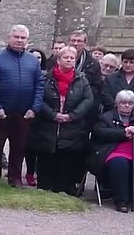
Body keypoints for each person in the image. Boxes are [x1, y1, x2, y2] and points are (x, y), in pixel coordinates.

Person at [31, 47, 95, 196]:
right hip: (48, 125)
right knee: (45, 158)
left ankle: (62, 189)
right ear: (58, 60)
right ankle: (43, 188)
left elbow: (88, 100)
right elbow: (38, 97)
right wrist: (53, 114)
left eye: (72, 58)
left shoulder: (82, 79)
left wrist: (72, 115)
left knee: (66, 159)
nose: (69, 60)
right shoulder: (46, 78)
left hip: (71, 126)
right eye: (66, 57)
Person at [88, 90, 134, 213]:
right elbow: (99, 133)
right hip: (114, 151)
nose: (126, 105)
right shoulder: (106, 117)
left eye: (130, 103)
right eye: (123, 103)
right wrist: (123, 133)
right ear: (117, 104)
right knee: (119, 164)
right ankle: (121, 201)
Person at [0, 24, 43, 187]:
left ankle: (15, 178)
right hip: (1, 113)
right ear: (9, 38)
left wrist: (34, 108)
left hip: (24, 113)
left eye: (23, 38)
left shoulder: (32, 61)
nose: (19, 40)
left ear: (27, 41)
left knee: (19, 148)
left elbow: (39, 85)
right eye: (16, 37)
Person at [100, 48, 134, 116]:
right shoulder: (110, 78)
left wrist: (130, 110)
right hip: (112, 116)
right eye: (125, 62)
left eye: (132, 62)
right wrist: (119, 109)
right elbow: (106, 96)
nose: (128, 65)